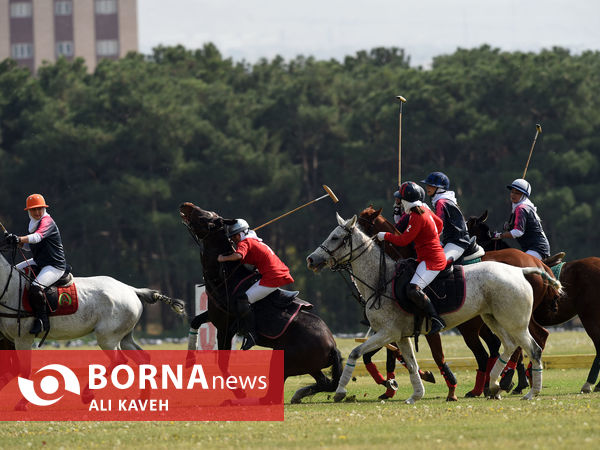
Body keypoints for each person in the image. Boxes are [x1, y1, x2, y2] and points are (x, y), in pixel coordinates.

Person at [376, 181, 446, 335]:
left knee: (412, 289)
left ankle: (436, 319)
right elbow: (439, 224)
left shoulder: (416, 216)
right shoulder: (424, 211)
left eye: (401, 199)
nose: (400, 202)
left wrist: (385, 236)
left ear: (407, 200)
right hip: (428, 257)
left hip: (432, 260)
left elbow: (403, 240)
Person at [217, 219, 294, 350]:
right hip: (277, 274)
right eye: (232, 237)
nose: (234, 240)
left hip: (272, 277)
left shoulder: (245, 241)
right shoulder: (254, 241)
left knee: (243, 300)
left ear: (241, 234)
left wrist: (222, 258)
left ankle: (252, 335)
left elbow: (239, 256)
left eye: (234, 236)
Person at [5, 194, 67, 335]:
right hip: (39, 261)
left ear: (44, 209)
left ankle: (42, 321)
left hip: (54, 265)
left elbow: (37, 237)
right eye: (34, 210)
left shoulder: (47, 221)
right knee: (12, 273)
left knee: (35, 288)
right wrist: (17, 242)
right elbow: (30, 246)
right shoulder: (33, 223)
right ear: (29, 211)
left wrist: (19, 238)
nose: (37, 212)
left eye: (40, 209)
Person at [421, 171, 483, 263]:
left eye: (431, 186)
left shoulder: (441, 203)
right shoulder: (444, 200)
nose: (427, 188)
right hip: (450, 240)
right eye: (427, 185)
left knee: (439, 263)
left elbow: (439, 227)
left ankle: (459, 278)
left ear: (439, 188)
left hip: (457, 242)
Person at [492, 178, 550, 260]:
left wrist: (500, 235)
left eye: (517, 193)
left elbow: (518, 232)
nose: (513, 195)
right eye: (512, 192)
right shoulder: (519, 207)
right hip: (534, 249)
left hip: (537, 249)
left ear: (524, 196)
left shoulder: (521, 208)